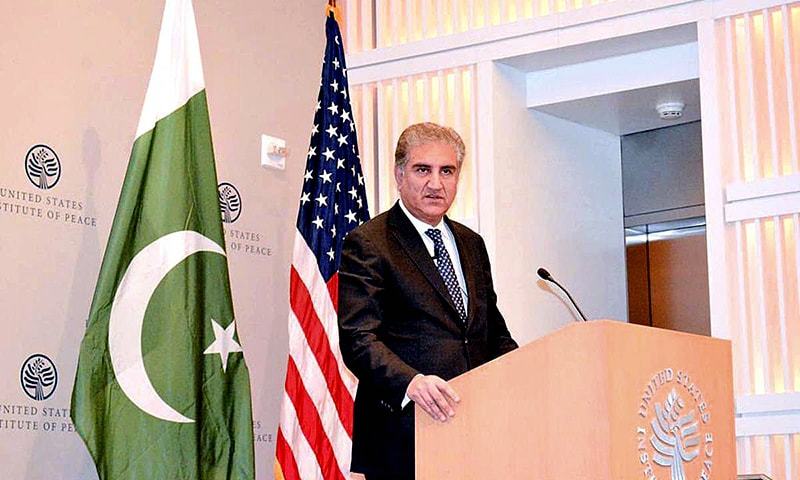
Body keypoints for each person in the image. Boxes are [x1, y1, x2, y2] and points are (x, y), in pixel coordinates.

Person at [338, 122, 518, 480]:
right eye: (424, 170)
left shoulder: (471, 243)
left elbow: (490, 332)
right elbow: (359, 339)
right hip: (404, 434)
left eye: (447, 171)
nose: (436, 183)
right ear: (399, 174)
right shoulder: (370, 242)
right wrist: (412, 382)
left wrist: (529, 372)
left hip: (474, 430)